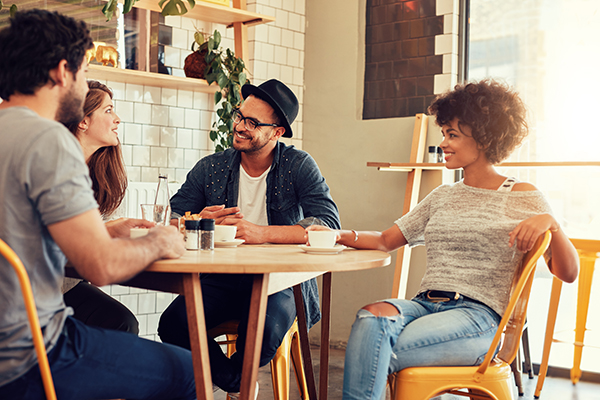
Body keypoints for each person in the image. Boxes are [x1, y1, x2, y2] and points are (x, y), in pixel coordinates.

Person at [307, 80, 580, 400]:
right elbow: (385, 240)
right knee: (371, 318)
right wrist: (337, 234)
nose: (443, 143)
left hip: (478, 319)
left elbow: (568, 272)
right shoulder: (442, 196)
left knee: (376, 350)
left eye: (452, 135)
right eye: (444, 133)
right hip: (423, 304)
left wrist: (552, 223)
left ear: (483, 137)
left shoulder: (522, 196)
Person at [0, 10, 196, 400]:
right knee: (192, 372)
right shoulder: (50, 140)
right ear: (61, 72)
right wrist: (160, 240)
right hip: (30, 355)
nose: (85, 84)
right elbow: (101, 266)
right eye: (84, 73)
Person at [158, 79, 341, 395]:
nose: (239, 126)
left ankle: (232, 383)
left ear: (277, 132)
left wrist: (261, 233)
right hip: (222, 277)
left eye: (252, 122)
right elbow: (169, 218)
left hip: (281, 281)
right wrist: (195, 221)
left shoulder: (298, 165)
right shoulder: (211, 168)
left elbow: (327, 222)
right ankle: (238, 384)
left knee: (265, 331)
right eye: (239, 116)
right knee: (174, 323)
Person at [61, 80, 138, 334]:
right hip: (40, 288)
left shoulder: (94, 173)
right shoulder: (59, 167)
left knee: (123, 322)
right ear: (83, 120)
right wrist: (108, 231)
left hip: (67, 283)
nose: (117, 119)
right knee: (122, 324)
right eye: (108, 110)